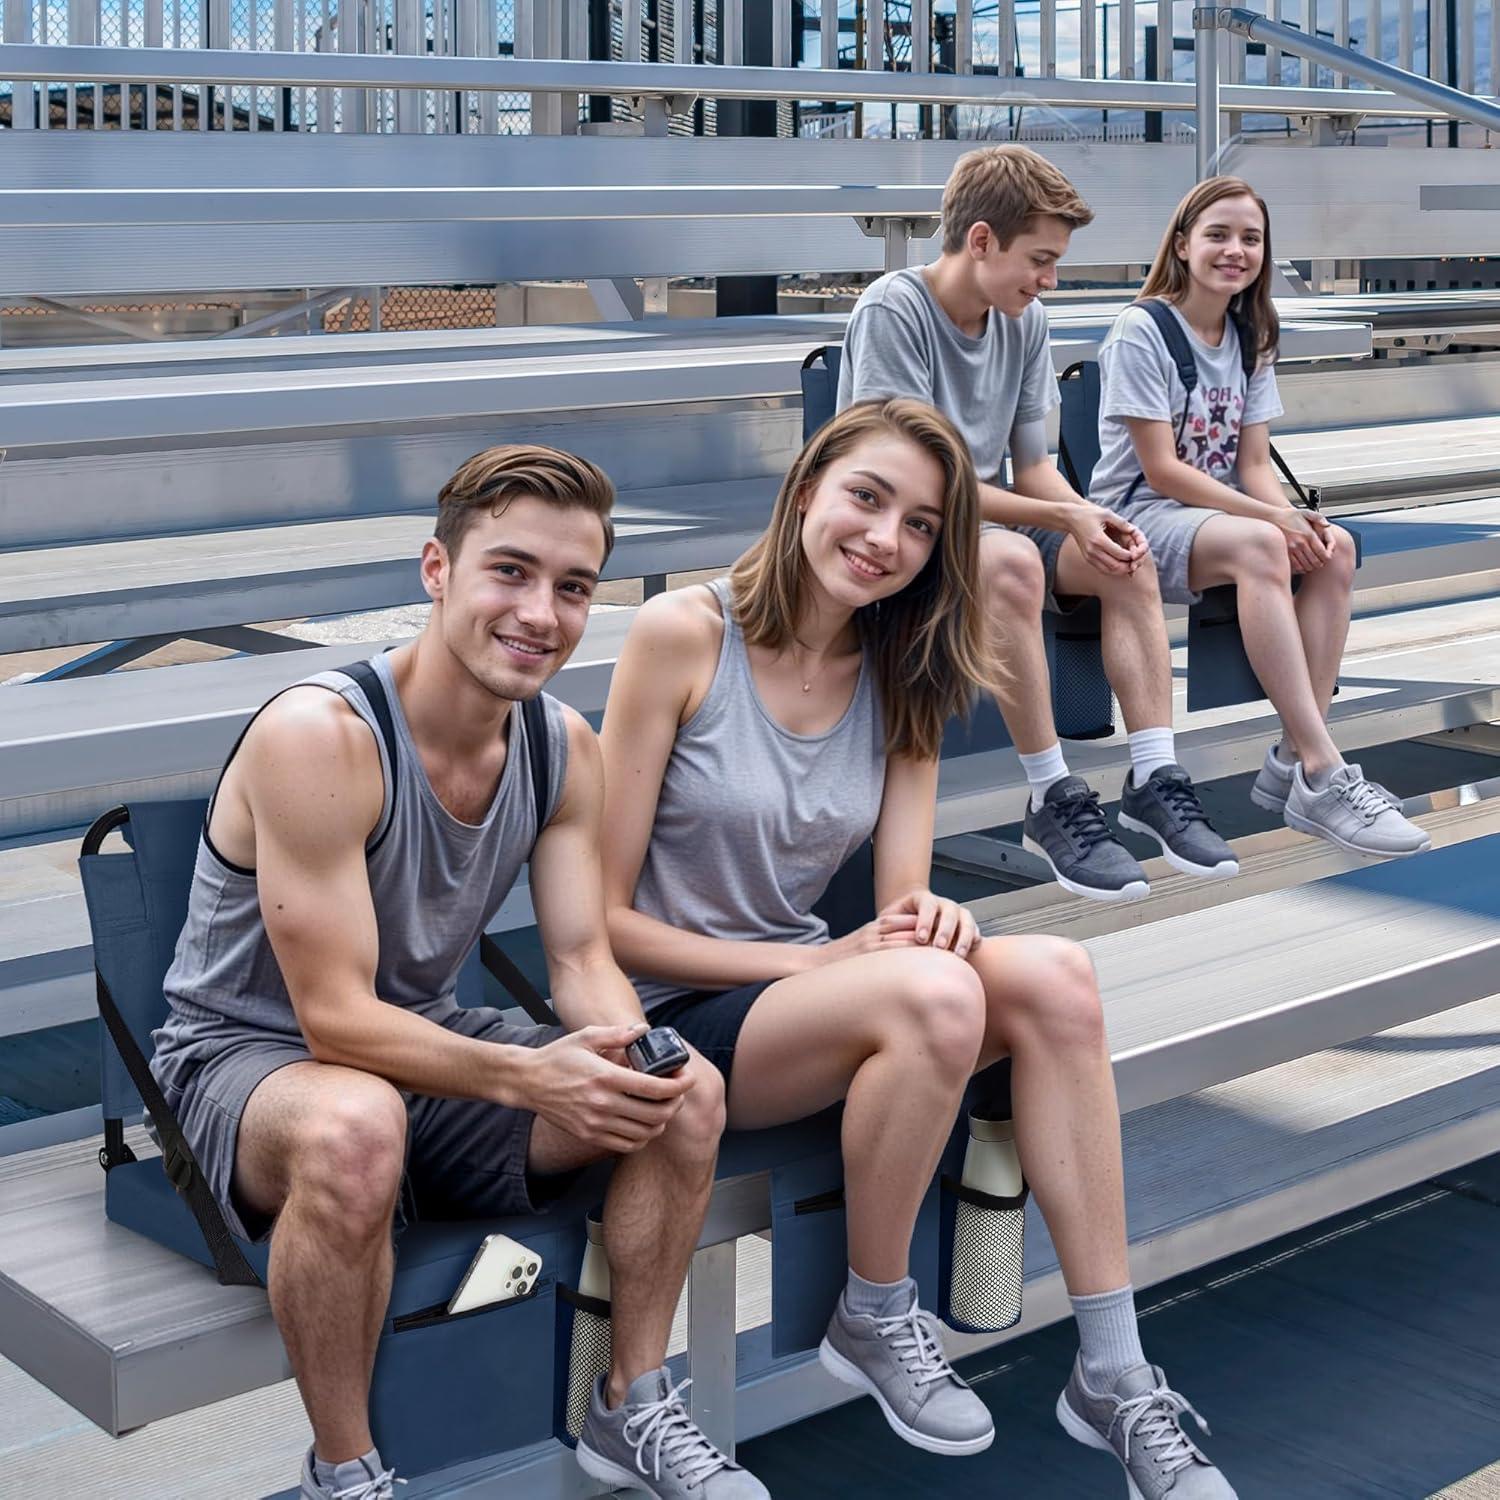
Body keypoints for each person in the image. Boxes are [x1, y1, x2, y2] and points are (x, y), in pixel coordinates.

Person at [599, 399, 1237, 1498]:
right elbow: (598, 919)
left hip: (825, 988)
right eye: (867, 497)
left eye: (920, 523)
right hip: (682, 1012)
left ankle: (1115, 1374)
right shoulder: (683, 637)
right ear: (807, 491)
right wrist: (808, 963)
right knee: (937, 1004)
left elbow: (896, 898)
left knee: (1056, 976)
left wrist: (934, 917)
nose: (885, 537)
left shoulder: (907, 665)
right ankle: (875, 1311)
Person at [149, 445, 768, 1500]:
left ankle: (632, 1404)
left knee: (683, 1091)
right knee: (355, 1128)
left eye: (574, 587)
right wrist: (535, 1079)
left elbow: (579, 958)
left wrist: (626, 1050)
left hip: (423, 1049)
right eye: (511, 571)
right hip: (249, 1063)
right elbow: (336, 1023)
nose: (541, 611)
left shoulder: (563, 745)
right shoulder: (322, 738)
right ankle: (346, 1472)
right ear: (437, 570)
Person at [839, 144, 1238, 902]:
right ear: (981, 240)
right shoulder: (896, 307)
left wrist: (1088, 517)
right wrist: (1058, 513)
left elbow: (1033, 468)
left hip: (990, 516)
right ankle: (1049, 796)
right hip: (905, 526)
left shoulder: (1023, 320)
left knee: (1130, 551)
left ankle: (1155, 775)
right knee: (1013, 562)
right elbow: (918, 482)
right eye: (1040, 259)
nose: (1050, 279)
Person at [1092, 176, 1429, 859]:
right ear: (1182, 245)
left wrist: (1294, 519)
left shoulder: (1252, 334)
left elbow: (1251, 466)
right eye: (1218, 234)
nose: (1235, 250)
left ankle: (1290, 761)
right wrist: (1270, 524)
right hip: (1139, 519)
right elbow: (1161, 470)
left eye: (1251, 238)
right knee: (1264, 544)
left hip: (1219, 518)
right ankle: (1323, 768)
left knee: (1332, 547)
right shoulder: (1142, 329)